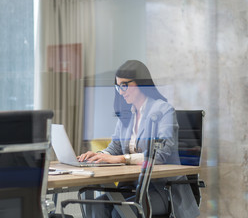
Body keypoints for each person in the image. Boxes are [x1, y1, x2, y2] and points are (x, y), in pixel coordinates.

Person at [78, 60, 199, 218]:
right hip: (131, 187)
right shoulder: (127, 114)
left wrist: (121, 158)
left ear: (140, 83)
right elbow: (114, 147)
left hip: (162, 190)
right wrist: (98, 155)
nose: (121, 92)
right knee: (95, 207)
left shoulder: (163, 110)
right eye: (118, 86)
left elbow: (160, 154)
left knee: (119, 213)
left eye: (124, 85)